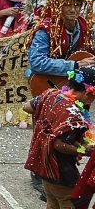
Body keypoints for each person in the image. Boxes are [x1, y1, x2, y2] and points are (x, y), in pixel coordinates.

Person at [24, 67, 95, 209]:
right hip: (61, 172)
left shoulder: (51, 94)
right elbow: (58, 144)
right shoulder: (72, 114)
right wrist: (84, 150)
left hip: (44, 167)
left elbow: (27, 107)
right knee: (69, 204)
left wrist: (45, 121)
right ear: (88, 93)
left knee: (52, 203)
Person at [28, 0, 95, 79]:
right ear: (59, 6)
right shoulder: (46, 29)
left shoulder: (86, 27)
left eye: (77, 5)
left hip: (78, 80)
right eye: (67, 5)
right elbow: (36, 62)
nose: (73, 10)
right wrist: (74, 66)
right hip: (50, 82)